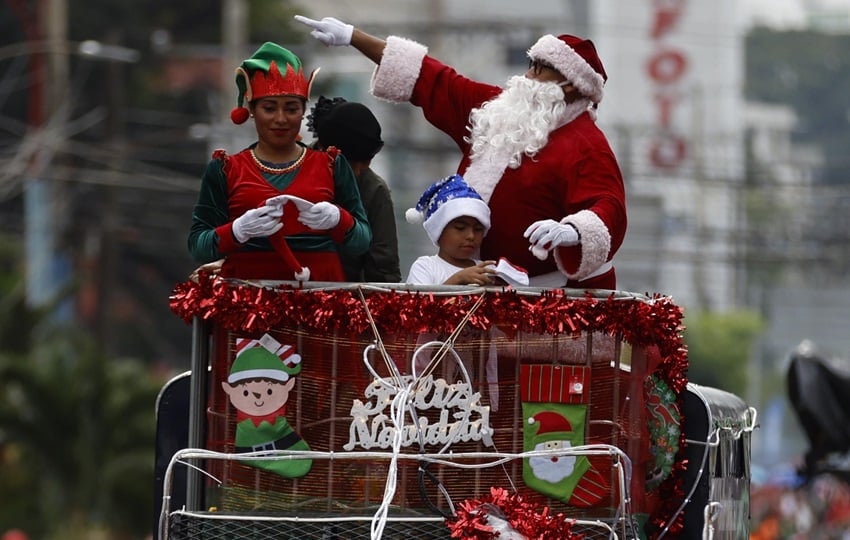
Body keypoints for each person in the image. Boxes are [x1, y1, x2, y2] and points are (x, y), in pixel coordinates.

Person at [294, 15, 627, 290]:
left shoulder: (587, 145)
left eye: (540, 69)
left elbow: (608, 207)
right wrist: (354, 37)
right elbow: (432, 79)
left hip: (541, 304)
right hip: (465, 286)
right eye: (530, 64)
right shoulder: (499, 110)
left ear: (570, 84)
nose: (527, 75)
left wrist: (575, 231)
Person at [187, 42, 371, 282]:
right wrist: (237, 231)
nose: (281, 119)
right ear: (252, 110)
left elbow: (362, 241)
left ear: (303, 110)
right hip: (247, 299)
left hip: (320, 301)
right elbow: (198, 246)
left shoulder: (332, 164)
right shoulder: (225, 169)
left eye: (291, 109)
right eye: (270, 108)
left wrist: (339, 220)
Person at [307, 96, 402, 282]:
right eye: (350, 163)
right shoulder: (291, 168)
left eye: (366, 162)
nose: (358, 172)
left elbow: (383, 270)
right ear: (323, 148)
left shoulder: (374, 191)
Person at [404, 174, 497, 287]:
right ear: (439, 231)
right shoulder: (425, 267)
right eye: (460, 228)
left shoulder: (488, 270)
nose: (471, 236)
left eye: (478, 229)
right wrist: (458, 279)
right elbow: (419, 303)